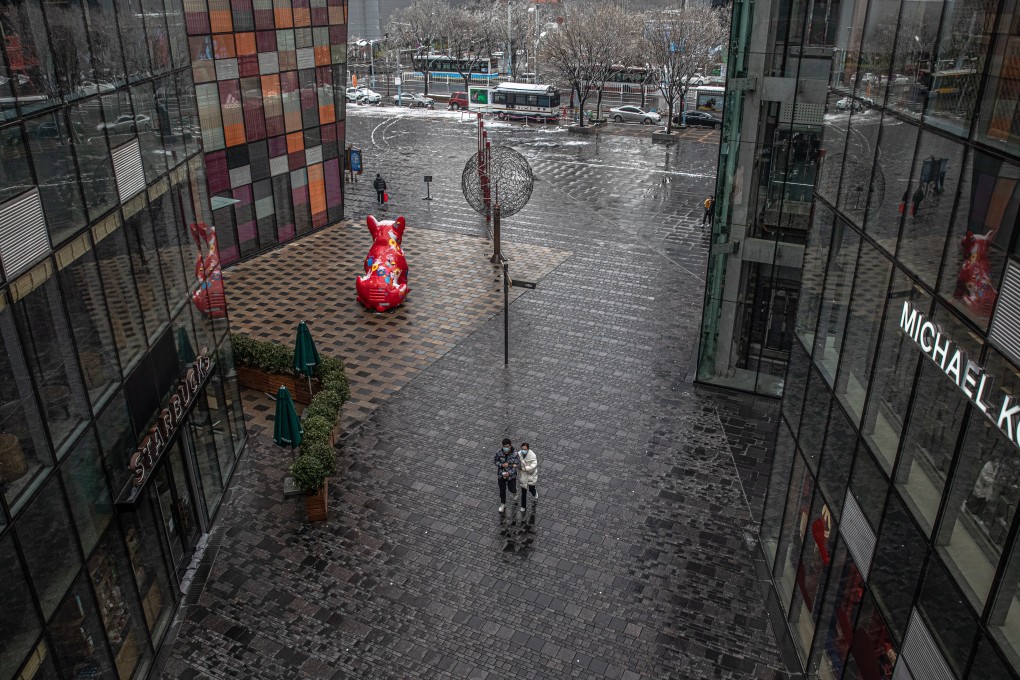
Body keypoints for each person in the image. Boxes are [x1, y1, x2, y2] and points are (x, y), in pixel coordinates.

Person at [494, 438, 518, 512]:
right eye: (504, 446)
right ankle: (503, 504)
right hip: (501, 475)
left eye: (507, 446)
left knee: (512, 488)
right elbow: (495, 461)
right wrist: (501, 465)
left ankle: (514, 492)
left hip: (511, 476)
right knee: (502, 490)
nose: (505, 448)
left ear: (510, 446)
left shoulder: (515, 454)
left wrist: (509, 473)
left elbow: (516, 465)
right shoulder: (499, 452)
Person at [517, 442, 538, 513]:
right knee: (523, 491)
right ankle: (523, 506)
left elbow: (533, 466)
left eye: (525, 449)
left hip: (530, 475)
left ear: (528, 449)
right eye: (522, 449)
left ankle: (534, 492)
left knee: (531, 488)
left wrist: (526, 468)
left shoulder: (532, 455)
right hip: (523, 475)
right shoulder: (518, 454)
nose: (523, 450)